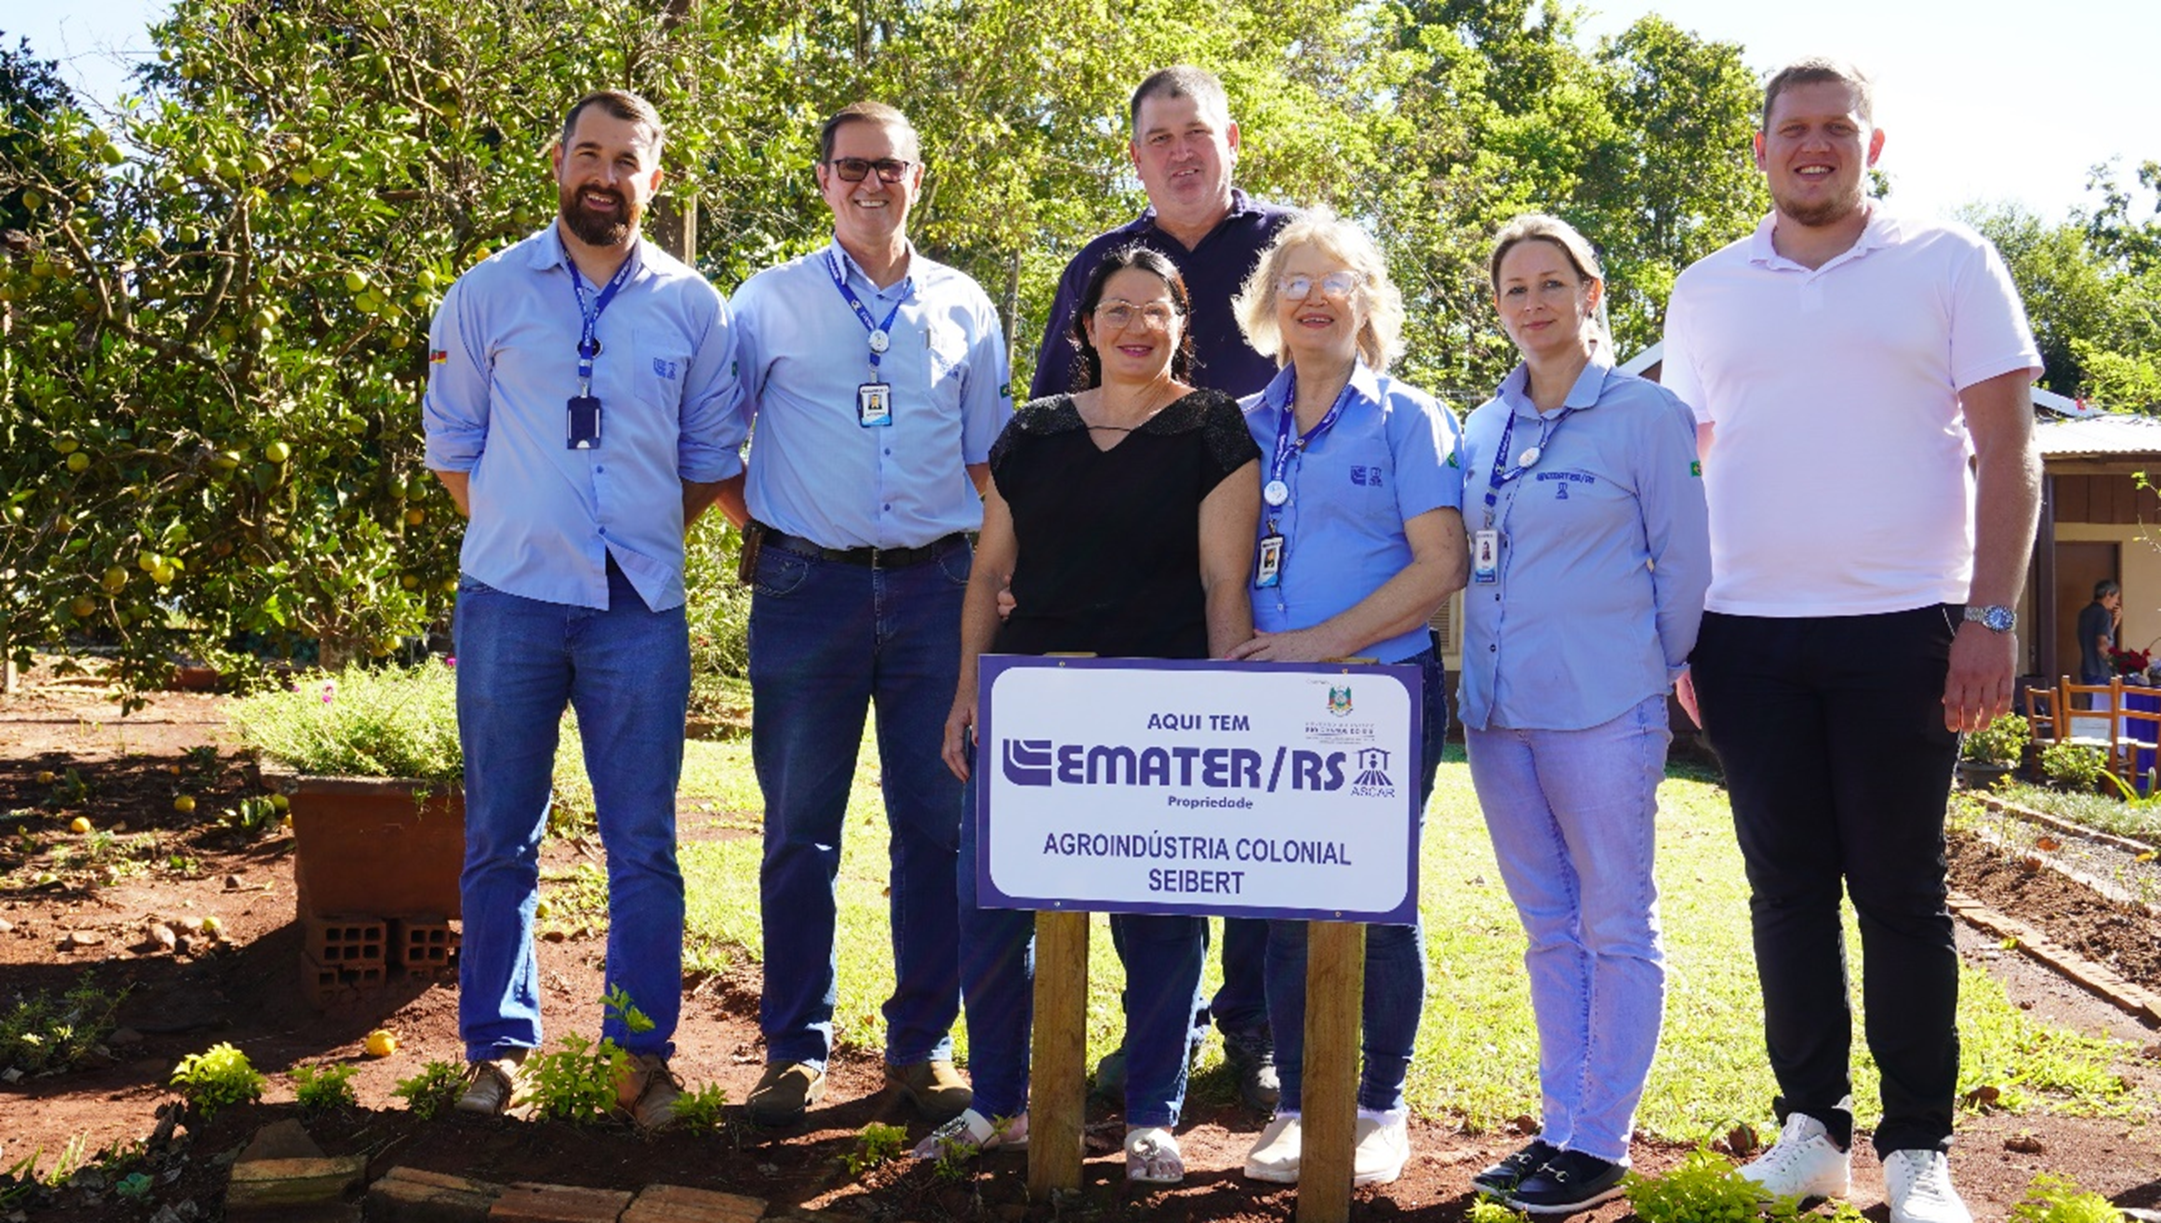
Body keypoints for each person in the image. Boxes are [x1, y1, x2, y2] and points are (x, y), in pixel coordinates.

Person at [1663, 58, 2042, 1223]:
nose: (1812, 145)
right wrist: (1679, 632)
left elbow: (2009, 451)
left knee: (1898, 890)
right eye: (1793, 129)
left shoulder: (1948, 262)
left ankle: (1918, 1148)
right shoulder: (1708, 286)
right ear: (1763, 148)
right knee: (1784, 892)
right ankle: (1811, 1131)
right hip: (1744, 636)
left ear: (1870, 147)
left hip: (1906, 630)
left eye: (1836, 127)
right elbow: (1688, 468)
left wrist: (1988, 616)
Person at [422, 89, 742, 1128]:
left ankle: (637, 1055)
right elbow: (454, 453)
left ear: (657, 177)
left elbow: (703, 467)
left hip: (636, 609)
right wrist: (533, 531)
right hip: (510, 601)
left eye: (627, 160)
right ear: (559, 161)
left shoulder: (697, 308)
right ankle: (497, 1050)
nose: (605, 175)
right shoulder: (484, 293)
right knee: (500, 838)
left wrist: (625, 541)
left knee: (642, 840)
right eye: (588, 154)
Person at [919, 245, 1260, 1183]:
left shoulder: (1211, 426)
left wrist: (1230, 712)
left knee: (1157, 917)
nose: (1136, 325)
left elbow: (1223, 583)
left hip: (1162, 712)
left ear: (1182, 326)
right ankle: (997, 1103)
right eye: (1117, 308)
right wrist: (964, 692)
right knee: (992, 908)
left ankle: (1152, 1112)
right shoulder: (1031, 432)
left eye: (1157, 310)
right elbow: (989, 576)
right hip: (1033, 707)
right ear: (1084, 326)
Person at [717, 101, 1013, 1128]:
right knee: (801, 831)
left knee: (936, 826)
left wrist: (1001, 570)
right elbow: (717, 445)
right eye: (852, 167)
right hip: (809, 592)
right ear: (823, 180)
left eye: (890, 166)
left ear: (918, 179)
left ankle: (920, 1047)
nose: (871, 182)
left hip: (938, 590)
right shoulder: (766, 303)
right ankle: (793, 1051)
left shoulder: (965, 305)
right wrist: (773, 527)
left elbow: (988, 464)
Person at [1029, 62, 1292, 1113]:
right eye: (1157, 138)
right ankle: (1163, 1031)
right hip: (1132, 594)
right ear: (1134, 156)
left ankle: (1254, 1027)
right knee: (1158, 814)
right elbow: (1051, 428)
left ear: (1231, 139)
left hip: (1275, 576)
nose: (1179, 152)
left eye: (1196, 132)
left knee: (1249, 808)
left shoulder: (1287, 249)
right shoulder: (1102, 265)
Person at [1457, 215, 1711, 1214]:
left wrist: (1657, 669)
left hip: (1604, 705)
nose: (1533, 302)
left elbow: (1683, 563)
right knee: (1546, 928)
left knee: (1614, 921)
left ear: (1591, 291)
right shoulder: (1479, 426)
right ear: (1498, 307)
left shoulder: (1646, 415)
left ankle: (1600, 1140)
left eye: (1550, 283)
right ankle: (1558, 1125)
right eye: (1514, 288)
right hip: (1496, 712)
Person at [1216, 210, 1468, 1188]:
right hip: (1270, 693)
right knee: (1284, 901)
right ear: (1269, 306)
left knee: (1373, 898)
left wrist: (1317, 646)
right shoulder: (1240, 424)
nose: (1314, 298)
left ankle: (1377, 1105)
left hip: (1380, 688)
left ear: (1367, 304)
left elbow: (1439, 563)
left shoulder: (1409, 417)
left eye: (1336, 281)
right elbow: (1224, 567)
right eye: (1294, 281)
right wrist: (1235, 671)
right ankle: (1295, 1103)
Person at [2077, 579, 2121, 690]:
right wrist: (2114, 664)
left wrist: (2114, 624)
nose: (2117, 602)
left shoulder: (2085, 612)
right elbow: (2102, 645)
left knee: (2092, 705)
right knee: (2103, 706)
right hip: (2101, 671)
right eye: (2116, 597)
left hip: (2087, 668)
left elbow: (2099, 635)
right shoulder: (2104, 614)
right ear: (2108, 595)